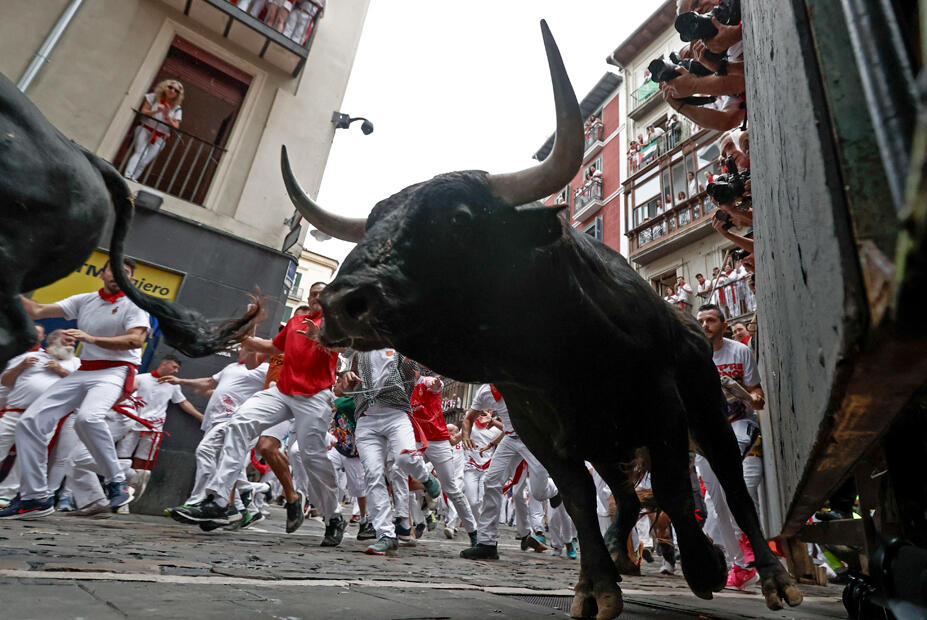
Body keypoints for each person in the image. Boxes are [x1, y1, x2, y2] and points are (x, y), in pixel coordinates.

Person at [172, 282, 347, 546]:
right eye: (313, 293)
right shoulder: (297, 320)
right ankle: (219, 499)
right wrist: (243, 329)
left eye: (322, 294)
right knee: (239, 423)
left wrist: (319, 337)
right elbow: (271, 347)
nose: (316, 297)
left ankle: (333, 516)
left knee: (311, 457)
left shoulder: (337, 322)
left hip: (313, 397)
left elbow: (342, 347)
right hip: (283, 390)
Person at [1, 259, 149, 519]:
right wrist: (8, 285)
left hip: (115, 370)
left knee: (87, 418)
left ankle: (116, 481)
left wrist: (92, 339)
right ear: (102, 274)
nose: (117, 275)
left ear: (132, 280)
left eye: (124, 273)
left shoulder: (134, 304)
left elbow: (136, 339)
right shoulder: (86, 299)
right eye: (112, 270)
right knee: (30, 422)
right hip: (84, 371)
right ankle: (35, 498)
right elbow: (36, 310)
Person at [336, 349, 442, 556]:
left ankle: (425, 478)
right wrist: (347, 379)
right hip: (366, 420)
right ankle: (385, 535)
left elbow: (418, 369)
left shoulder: (399, 349)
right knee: (373, 476)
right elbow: (343, 389)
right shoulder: (356, 353)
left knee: (404, 457)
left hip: (396, 415)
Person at [695, 304, 766, 591]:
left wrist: (756, 398)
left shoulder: (740, 351)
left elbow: (755, 390)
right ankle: (739, 562)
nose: (704, 325)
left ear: (723, 325)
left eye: (710, 320)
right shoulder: (692, 356)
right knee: (715, 501)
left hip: (739, 425)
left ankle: (752, 554)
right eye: (700, 321)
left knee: (735, 489)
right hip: (705, 433)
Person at [460, 384, 560, 560]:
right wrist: (466, 436)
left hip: (533, 438)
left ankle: (554, 490)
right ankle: (486, 543)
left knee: (538, 492)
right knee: (490, 482)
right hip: (510, 439)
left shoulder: (519, 379)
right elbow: (468, 418)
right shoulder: (485, 390)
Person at [0, 328, 80, 506]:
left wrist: (60, 371)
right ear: (53, 340)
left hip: (44, 417)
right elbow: (5, 382)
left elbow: (79, 387)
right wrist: (22, 366)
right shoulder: (26, 357)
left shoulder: (75, 363)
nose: (72, 344)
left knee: (28, 456)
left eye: (74, 342)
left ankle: (6, 494)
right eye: (67, 340)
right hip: (15, 412)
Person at [116, 355, 202, 499]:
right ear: (164, 364)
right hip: (132, 425)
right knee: (121, 459)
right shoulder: (141, 378)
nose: (176, 371)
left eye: (177, 368)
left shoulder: (174, 385)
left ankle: (130, 497)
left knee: (142, 465)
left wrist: (200, 416)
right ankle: (117, 492)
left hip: (153, 430)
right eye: (174, 367)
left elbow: (183, 402)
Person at [408, 372, 478, 546]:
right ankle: (417, 522)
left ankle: (474, 532)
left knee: (452, 488)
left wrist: (435, 385)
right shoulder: (402, 385)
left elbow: (436, 385)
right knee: (403, 480)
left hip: (438, 440)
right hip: (416, 439)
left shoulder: (426, 381)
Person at [125, 80, 183, 181]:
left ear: (178, 95)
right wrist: (156, 111)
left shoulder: (177, 108)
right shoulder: (153, 97)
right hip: (145, 128)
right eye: (170, 87)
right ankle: (127, 175)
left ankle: (133, 178)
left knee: (145, 161)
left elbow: (176, 125)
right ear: (164, 87)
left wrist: (166, 116)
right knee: (140, 152)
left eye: (176, 91)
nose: (172, 91)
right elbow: (144, 111)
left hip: (160, 136)